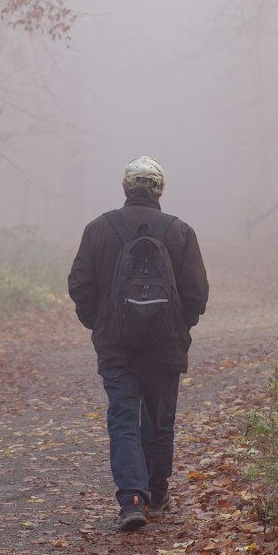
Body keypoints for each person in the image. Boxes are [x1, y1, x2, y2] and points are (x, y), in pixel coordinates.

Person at [67, 156, 210, 531]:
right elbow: (197, 294)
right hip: (166, 347)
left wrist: (100, 326)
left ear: (125, 188)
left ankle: (131, 499)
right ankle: (157, 494)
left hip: (117, 347)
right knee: (160, 423)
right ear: (160, 190)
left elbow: (80, 285)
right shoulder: (180, 232)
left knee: (124, 420)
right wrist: (178, 326)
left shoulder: (98, 229)